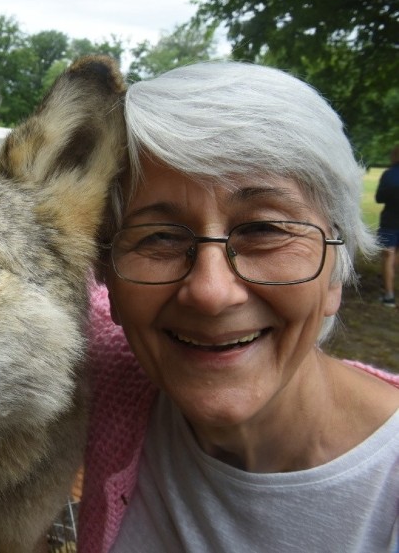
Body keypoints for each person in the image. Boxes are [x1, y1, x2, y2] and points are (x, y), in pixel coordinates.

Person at [78, 62, 399, 552]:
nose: (211, 292)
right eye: (160, 237)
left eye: (263, 230)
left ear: (337, 265)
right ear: (109, 280)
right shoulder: (107, 371)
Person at [376, 145, 399, 308]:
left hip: (390, 222)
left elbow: (379, 197)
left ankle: (389, 295)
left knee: (388, 256)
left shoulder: (389, 175)